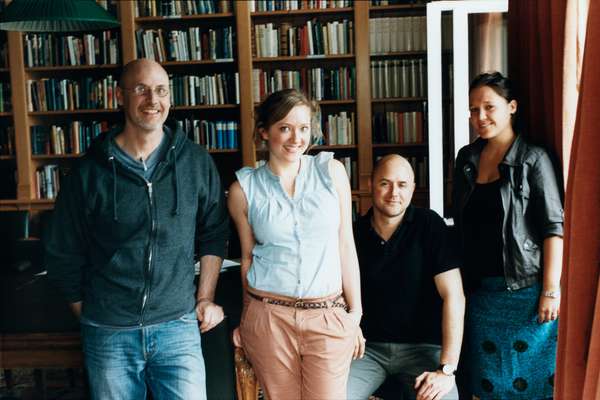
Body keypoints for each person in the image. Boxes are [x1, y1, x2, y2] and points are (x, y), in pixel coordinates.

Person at [45, 59, 229, 400]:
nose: (152, 99)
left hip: (177, 326)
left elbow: (213, 232)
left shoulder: (195, 162)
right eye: (141, 89)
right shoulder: (89, 172)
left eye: (160, 90)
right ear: (120, 96)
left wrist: (204, 297)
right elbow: (62, 250)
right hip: (109, 331)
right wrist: (87, 312)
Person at [227, 88, 364, 399]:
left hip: (326, 314)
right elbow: (248, 258)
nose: (295, 138)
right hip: (269, 317)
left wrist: (354, 314)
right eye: (284, 128)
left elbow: (345, 244)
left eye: (303, 128)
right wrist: (246, 319)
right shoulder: (243, 189)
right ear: (265, 132)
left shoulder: (331, 172)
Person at [452, 72, 564, 399]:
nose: (480, 117)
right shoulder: (466, 159)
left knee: (533, 384)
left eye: (489, 107)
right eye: (474, 110)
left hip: (526, 293)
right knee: (485, 385)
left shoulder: (534, 159)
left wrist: (550, 290)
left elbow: (553, 228)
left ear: (511, 107)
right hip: (480, 295)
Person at [347, 155, 465, 400]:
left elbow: (454, 296)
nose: (393, 193)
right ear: (371, 185)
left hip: (423, 350)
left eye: (402, 185)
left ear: (412, 188)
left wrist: (446, 369)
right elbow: (336, 293)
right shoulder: (354, 233)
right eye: (385, 183)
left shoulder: (429, 225)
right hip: (367, 352)